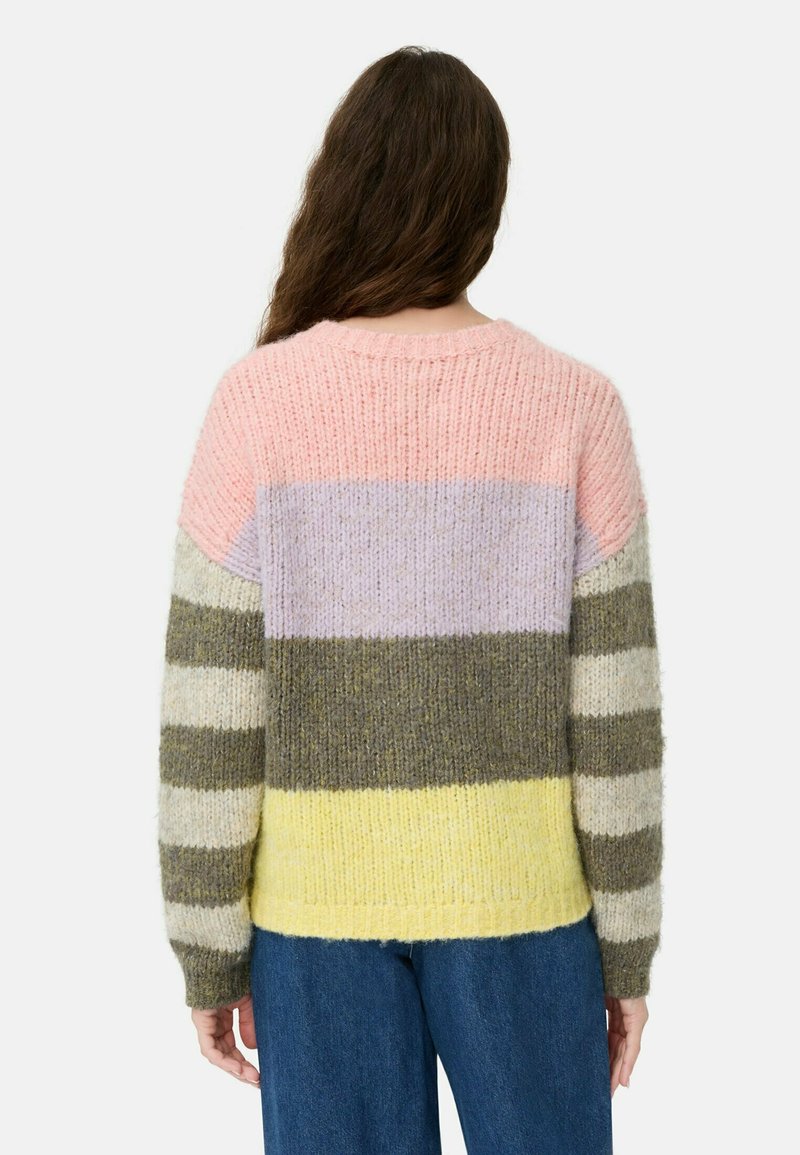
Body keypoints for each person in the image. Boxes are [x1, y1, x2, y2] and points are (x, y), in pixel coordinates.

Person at [157, 45, 664, 1155]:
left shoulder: (255, 404)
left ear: (341, 185)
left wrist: (207, 948)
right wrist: (625, 949)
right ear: (486, 203)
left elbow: (210, 716)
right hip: (524, 909)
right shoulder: (576, 407)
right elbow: (615, 720)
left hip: (313, 923)